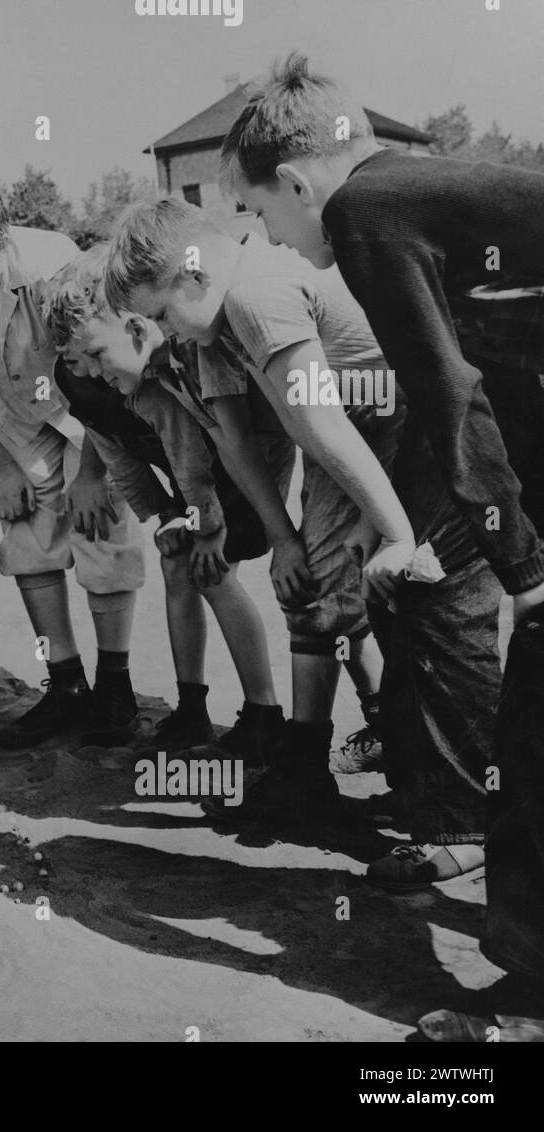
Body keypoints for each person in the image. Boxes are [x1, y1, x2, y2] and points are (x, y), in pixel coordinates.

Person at [217, 51, 544, 1040]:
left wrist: (524, 575)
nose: (264, 234)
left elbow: (452, 398)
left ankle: (527, 1006)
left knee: (528, 736)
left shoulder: (366, 215)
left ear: (300, 181)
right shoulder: (434, 191)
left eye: (260, 212)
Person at [105, 200, 424, 839]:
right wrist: (287, 537)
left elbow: (324, 418)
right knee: (325, 593)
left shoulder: (252, 293)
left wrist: (387, 524)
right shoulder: (218, 316)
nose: (162, 330)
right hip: (357, 435)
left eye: (162, 313)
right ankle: (348, 771)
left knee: (332, 596)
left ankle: (337, 780)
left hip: (393, 424)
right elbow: (242, 441)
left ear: (192, 276)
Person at [0, 170, 145, 750]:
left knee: (101, 528)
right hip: (16, 406)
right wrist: (1, 465)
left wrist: (93, 472)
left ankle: (115, 689)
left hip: (87, 397)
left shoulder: (52, 266)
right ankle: (66, 684)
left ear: (1, 242)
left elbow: (105, 382)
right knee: (26, 530)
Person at [45, 245, 286, 763]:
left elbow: (189, 451)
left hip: (233, 462)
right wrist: (161, 514)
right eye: (70, 359)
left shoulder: (152, 374)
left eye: (91, 355)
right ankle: (192, 708)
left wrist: (204, 523)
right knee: (177, 569)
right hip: (191, 475)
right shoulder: (89, 378)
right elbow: (116, 451)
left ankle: (265, 712)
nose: (85, 371)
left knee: (214, 572)